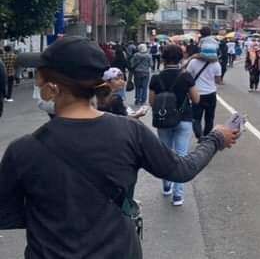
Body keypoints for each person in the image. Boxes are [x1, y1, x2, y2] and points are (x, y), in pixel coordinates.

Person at [0, 36, 238, 259]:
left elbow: (6, 214)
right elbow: (182, 170)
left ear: (51, 86)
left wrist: (52, 214)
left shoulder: (23, 150)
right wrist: (216, 137)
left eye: (39, 77)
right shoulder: (130, 132)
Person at [149, 45, 201, 205]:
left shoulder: (156, 78)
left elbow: (151, 102)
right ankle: (178, 195)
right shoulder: (186, 77)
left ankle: (166, 186)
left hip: (163, 120)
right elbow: (196, 99)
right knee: (181, 156)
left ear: (163, 59)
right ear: (181, 58)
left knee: (165, 154)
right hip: (184, 119)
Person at [186, 50, 223, 139]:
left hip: (196, 94)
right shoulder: (216, 64)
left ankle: (199, 136)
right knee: (209, 118)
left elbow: (187, 76)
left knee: (196, 118)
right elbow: (218, 80)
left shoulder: (193, 62)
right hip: (210, 94)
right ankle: (207, 137)